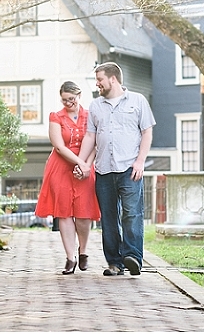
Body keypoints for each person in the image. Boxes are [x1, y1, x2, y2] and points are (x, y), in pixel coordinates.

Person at [76, 62, 155, 277]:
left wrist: (140, 161)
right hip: (104, 169)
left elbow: (147, 132)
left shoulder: (138, 101)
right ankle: (114, 263)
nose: (97, 84)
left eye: (100, 79)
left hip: (130, 168)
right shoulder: (95, 106)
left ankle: (133, 257)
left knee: (131, 214)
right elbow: (90, 137)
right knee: (108, 218)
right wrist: (81, 163)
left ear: (113, 79)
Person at [35, 81, 101, 275]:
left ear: (79, 96)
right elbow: (59, 146)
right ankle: (70, 257)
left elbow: (96, 142)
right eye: (64, 100)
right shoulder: (56, 117)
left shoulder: (90, 115)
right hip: (61, 167)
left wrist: (86, 165)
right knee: (63, 212)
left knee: (83, 213)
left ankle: (83, 251)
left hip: (86, 166)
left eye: (71, 99)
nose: (68, 103)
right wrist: (79, 163)